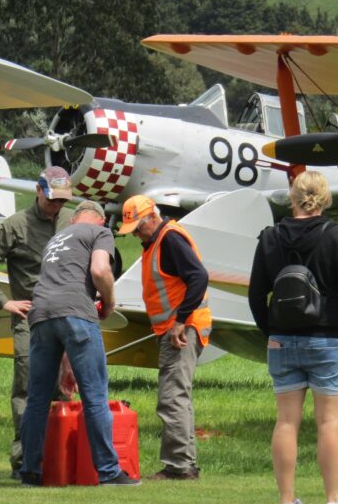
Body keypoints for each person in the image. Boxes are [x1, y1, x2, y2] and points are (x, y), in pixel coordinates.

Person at [248, 171, 338, 504]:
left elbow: (256, 293)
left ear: (292, 198)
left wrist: (270, 330)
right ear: (325, 200)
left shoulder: (270, 237)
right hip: (328, 336)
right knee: (328, 422)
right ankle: (333, 502)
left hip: (282, 338)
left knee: (286, 421)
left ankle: (287, 502)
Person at [19, 201, 139, 486]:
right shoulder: (100, 233)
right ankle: (109, 471)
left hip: (41, 314)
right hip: (76, 312)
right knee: (94, 394)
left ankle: (31, 470)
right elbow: (100, 271)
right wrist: (109, 303)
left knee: (37, 399)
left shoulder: (56, 239)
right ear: (99, 220)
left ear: (74, 220)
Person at [0, 166, 75, 478]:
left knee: (64, 390)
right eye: (53, 199)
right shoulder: (16, 225)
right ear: (39, 191)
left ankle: (60, 458)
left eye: (62, 200)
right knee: (28, 389)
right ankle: (25, 461)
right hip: (29, 319)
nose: (57, 205)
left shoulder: (72, 221)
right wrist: (4, 301)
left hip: (67, 318)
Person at [117, 195, 211, 481]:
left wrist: (181, 322)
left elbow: (199, 277)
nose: (134, 234)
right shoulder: (158, 241)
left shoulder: (169, 239)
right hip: (175, 329)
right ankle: (183, 464)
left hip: (182, 330)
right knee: (176, 396)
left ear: (152, 218)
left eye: (137, 228)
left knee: (172, 398)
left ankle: (179, 467)